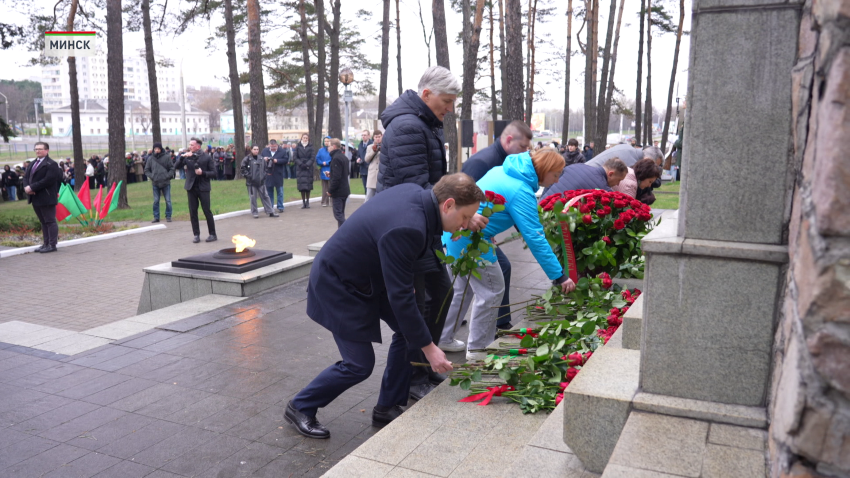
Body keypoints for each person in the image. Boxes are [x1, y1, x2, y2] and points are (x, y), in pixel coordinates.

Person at [286, 174, 484, 438]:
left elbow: (397, 266)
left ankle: (387, 406)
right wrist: (431, 349)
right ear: (447, 205)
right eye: (464, 218)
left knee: (411, 330)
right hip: (337, 284)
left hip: (365, 278)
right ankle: (300, 406)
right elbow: (400, 297)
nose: (465, 224)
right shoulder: (409, 226)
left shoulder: (417, 196)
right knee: (359, 364)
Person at [377, 65, 472, 402]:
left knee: (441, 294)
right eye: (446, 102)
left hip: (425, 225)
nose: (449, 110)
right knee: (417, 307)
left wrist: (460, 205)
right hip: (407, 227)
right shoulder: (407, 127)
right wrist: (456, 212)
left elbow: (435, 178)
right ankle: (409, 378)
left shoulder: (425, 124)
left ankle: (421, 368)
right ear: (427, 94)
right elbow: (414, 185)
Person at [440, 149, 577, 359]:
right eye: (556, 174)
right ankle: (478, 350)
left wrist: (489, 229)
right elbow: (534, 237)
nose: (557, 181)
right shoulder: (520, 190)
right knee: (492, 291)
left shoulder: (503, 170)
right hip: (471, 241)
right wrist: (559, 275)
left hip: (455, 233)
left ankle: (444, 337)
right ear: (545, 170)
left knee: (462, 289)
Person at [460, 119, 533, 330]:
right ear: (509, 140)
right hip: (469, 231)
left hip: (481, 231)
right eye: (522, 147)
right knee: (470, 282)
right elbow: (461, 197)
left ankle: (498, 320)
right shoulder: (483, 162)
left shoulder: (504, 160)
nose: (524, 153)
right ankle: (494, 323)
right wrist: (473, 223)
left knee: (487, 275)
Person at [175, 137, 218, 243]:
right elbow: (176, 166)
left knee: (207, 211)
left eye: (192, 145)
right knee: (193, 212)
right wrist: (182, 157)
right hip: (191, 187)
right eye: (189, 145)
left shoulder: (206, 157)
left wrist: (203, 173)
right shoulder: (187, 156)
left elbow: (214, 173)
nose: (190, 147)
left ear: (198, 146)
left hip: (203, 187)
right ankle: (196, 234)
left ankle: (212, 234)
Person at [23, 142, 62, 253]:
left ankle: (52, 245)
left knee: (50, 221)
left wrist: (32, 188)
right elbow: (26, 177)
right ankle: (46, 243)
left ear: (47, 150)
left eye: (40, 149)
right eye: (36, 149)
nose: (37, 151)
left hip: (47, 197)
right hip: (35, 197)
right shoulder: (33, 163)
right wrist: (26, 187)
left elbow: (48, 180)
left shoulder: (51, 164)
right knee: (43, 221)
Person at [544, 156, 629, 198]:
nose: (618, 184)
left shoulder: (577, 166)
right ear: (610, 174)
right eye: (619, 180)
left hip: (539, 208)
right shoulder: (603, 189)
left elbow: (549, 184)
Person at [241, 145, 279, 219]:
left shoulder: (261, 159)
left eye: (257, 149)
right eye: (254, 149)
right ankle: (255, 212)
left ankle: (270, 211)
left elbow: (265, 169)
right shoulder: (247, 159)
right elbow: (243, 169)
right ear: (251, 150)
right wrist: (249, 176)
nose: (256, 151)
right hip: (251, 183)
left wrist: (264, 176)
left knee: (266, 196)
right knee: (253, 198)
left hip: (261, 182)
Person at [145, 142, 175, 223]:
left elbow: (172, 168)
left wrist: (167, 176)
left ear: (161, 149)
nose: (156, 150)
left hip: (165, 182)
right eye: (155, 149)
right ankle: (156, 216)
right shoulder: (150, 159)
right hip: (155, 182)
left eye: (158, 149)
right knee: (156, 200)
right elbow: (146, 170)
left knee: (168, 200)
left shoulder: (167, 157)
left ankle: (168, 216)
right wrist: (152, 176)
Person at [327, 138, 350, 228]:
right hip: (345, 190)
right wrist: (331, 174)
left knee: (338, 215)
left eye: (329, 146)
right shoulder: (344, 157)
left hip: (338, 191)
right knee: (341, 214)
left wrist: (330, 191)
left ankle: (347, 230)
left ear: (334, 146)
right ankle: (342, 234)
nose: (327, 148)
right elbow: (346, 173)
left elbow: (336, 178)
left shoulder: (336, 159)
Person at [586, 143, 663, 168]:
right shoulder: (631, 163)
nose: (653, 169)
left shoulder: (627, 148)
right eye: (653, 165)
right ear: (647, 159)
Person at [262, 140, 288, 213]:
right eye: (271, 146)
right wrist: (264, 159)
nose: (273, 148)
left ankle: (280, 206)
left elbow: (286, 160)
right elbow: (260, 158)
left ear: (277, 145)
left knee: (280, 191)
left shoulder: (282, 151)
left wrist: (277, 161)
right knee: (269, 191)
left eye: (274, 146)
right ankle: (270, 207)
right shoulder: (265, 151)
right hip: (268, 173)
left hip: (278, 173)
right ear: (269, 145)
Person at [295, 133, 315, 208]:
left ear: (308, 139)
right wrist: (300, 164)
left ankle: (308, 202)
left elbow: (313, 157)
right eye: (304, 138)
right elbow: (295, 157)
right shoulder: (298, 146)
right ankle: (303, 202)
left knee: (308, 186)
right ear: (301, 138)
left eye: (306, 138)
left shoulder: (311, 147)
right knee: (302, 187)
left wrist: (307, 164)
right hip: (300, 169)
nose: (305, 139)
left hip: (308, 168)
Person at [363, 130, 382, 201]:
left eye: (379, 137)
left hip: (381, 175)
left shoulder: (385, 146)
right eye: (376, 137)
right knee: (368, 198)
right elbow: (366, 159)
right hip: (372, 176)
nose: (378, 138)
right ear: (373, 137)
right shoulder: (369, 147)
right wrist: (374, 151)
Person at [316, 136, 332, 207]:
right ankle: (324, 201)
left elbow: (333, 158)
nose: (326, 142)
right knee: (324, 186)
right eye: (325, 141)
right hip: (323, 170)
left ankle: (332, 201)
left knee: (331, 186)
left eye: (328, 141)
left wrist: (327, 162)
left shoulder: (332, 150)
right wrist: (322, 163)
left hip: (331, 169)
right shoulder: (321, 150)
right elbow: (317, 158)